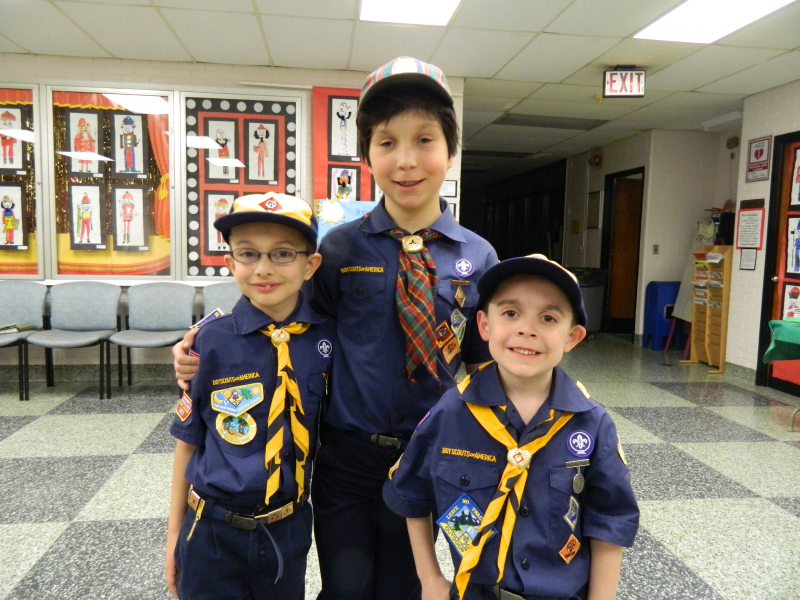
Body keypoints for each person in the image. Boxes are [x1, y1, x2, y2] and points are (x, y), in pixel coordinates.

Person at [173, 56, 498, 600]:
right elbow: (290, 320)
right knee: (346, 585)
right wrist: (202, 340)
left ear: (450, 150)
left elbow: (485, 359)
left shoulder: (478, 255)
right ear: (366, 154)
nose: (407, 160)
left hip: (429, 451)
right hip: (345, 454)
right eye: (387, 143)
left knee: (405, 584)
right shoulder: (341, 247)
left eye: (425, 140)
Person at [383, 254, 640, 600]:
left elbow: (609, 522)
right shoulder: (451, 413)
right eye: (510, 313)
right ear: (484, 325)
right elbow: (412, 495)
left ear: (573, 337)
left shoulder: (592, 423)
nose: (526, 329)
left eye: (548, 317)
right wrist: (429, 578)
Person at [166, 192, 333, 600]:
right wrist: (173, 536)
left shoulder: (328, 339)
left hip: (289, 526)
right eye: (247, 254)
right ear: (230, 263)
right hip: (211, 530)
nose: (263, 269)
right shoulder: (210, 341)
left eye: (282, 254)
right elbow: (188, 442)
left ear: (310, 265)